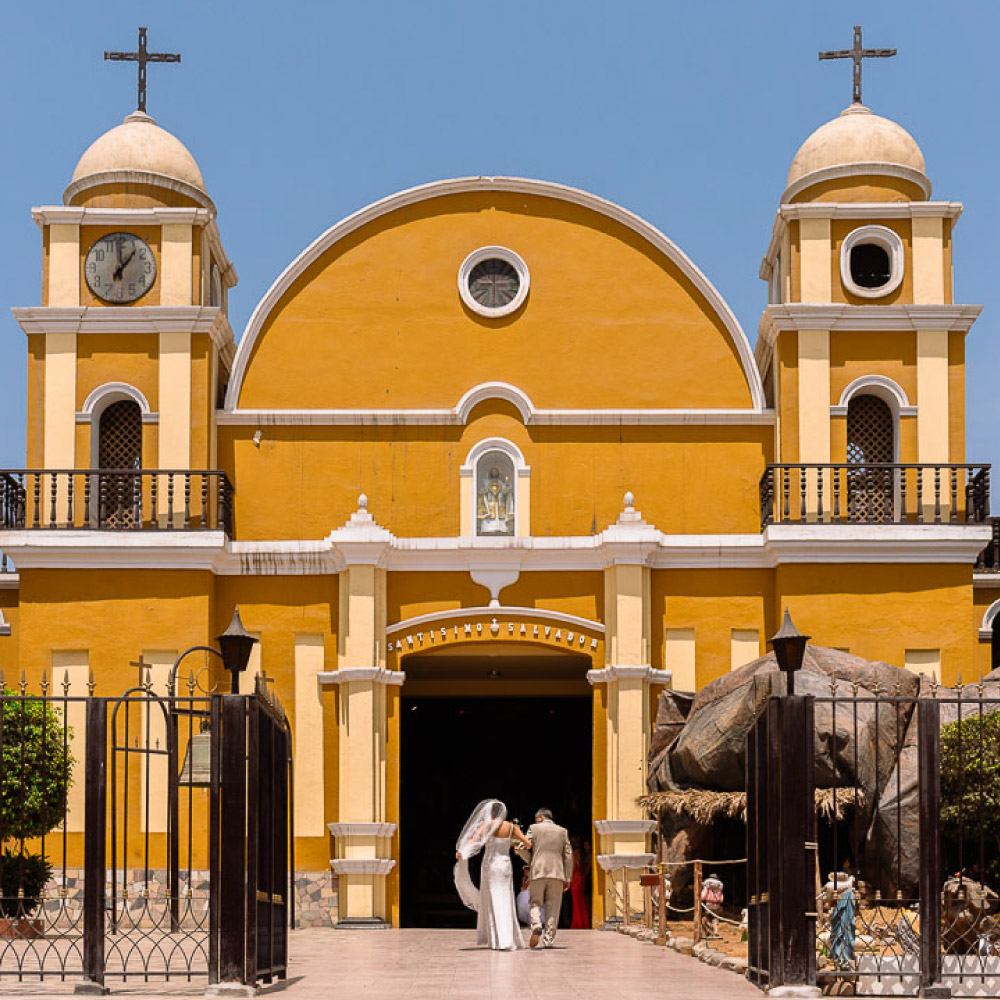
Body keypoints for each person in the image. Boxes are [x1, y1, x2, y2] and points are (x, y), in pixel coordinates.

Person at [453, 799, 531, 951]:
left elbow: (474, 841)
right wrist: (514, 844)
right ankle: (508, 938)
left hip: (490, 866)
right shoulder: (511, 827)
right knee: (506, 898)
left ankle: (498, 940)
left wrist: (463, 852)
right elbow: (528, 843)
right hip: (505, 866)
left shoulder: (486, 826)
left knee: (493, 899)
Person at [516, 807, 572, 948]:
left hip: (538, 871)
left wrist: (531, 861)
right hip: (557, 873)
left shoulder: (534, 828)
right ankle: (549, 940)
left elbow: (521, 847)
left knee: (535, 902)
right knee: (553, 907)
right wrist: (568, 877)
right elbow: (568, 856)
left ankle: (536, 926)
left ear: (540, 817)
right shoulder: (562, 831)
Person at [569, 835, 590, 929]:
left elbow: (573, 867)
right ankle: (584, 922)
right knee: (581, 901)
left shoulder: (574, 853)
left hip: (575, 878)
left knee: (576, 901)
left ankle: (578, 922)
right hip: (581, 878)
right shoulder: (582, 853)